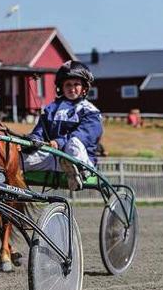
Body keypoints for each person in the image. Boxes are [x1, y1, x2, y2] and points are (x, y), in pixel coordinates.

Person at [21, 60, 103, 191]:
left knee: (73, 143)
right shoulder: (51, 109)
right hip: (55, 159)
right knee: (17, 159)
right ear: (61, 87)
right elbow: (40, 131)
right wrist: (32, 140)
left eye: (76, 84)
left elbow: (82, 136)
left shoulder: (91, 111)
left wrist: (58, 143)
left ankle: (79, 172)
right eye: (68, 85)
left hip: (80, 158)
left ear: (84, 88)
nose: (72, 88)